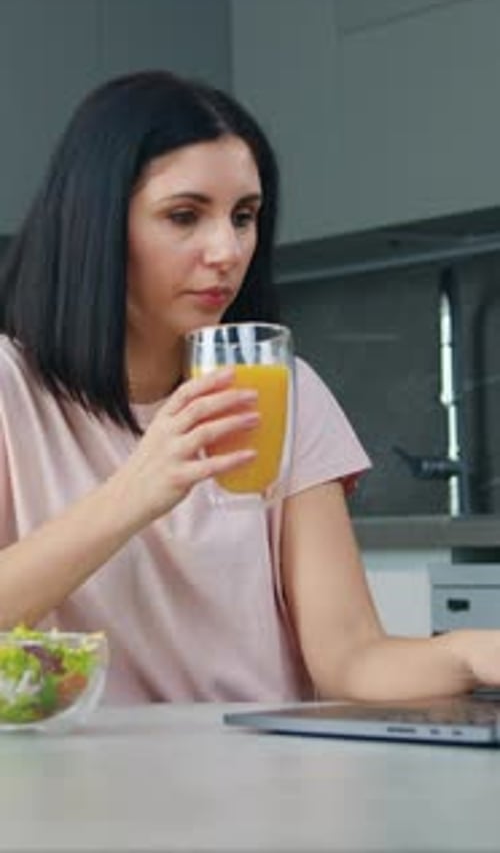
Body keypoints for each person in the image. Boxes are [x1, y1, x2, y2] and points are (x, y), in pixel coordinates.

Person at [0, 70, 499, 705]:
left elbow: (348, 658)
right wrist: (136, 492)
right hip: (87, 786)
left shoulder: (286, 391)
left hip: (262, 772)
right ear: (94, 223)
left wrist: (472, 651)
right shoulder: (11, 387)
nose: (227, 250)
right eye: (184, 216)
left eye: (244, 217)